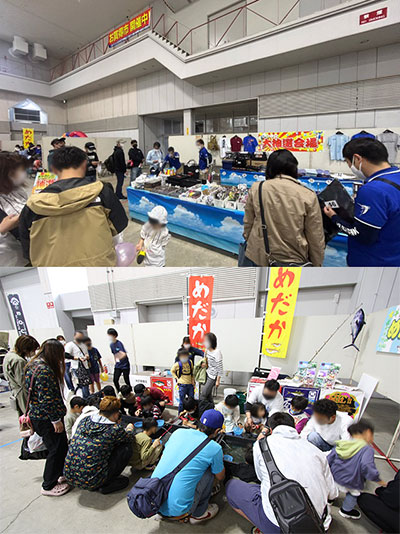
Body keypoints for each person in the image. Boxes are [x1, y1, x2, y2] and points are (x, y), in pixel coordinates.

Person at [226, 412, 338, 533]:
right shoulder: (317, 452)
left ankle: (265, 527)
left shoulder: (262, 445)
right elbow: (333, 494)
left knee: (231, 486)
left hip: (282, 525)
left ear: (271, 430)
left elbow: (260, 476)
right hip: (319, 523)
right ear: (294, 426)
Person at [19, 146, 128, 266]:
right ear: (84, 164)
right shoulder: (102, 192)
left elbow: (28, 249)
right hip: (98, 266)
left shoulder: (33, 206)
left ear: (53, 168)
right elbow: (120, 224)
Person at [323, 138, 400, 266]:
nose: (349, 166)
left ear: (357, 159)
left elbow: (362, 235)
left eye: (348, 162)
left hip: (374, 261)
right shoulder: (395, 177)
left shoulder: (373, 190)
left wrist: (334, 217)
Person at [243, 149, 325, 267]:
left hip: (259, 255)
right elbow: (315, 236)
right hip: (292, 259)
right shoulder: (308, 195)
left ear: (270, 168)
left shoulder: (257, 188)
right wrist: (317, 263)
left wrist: (250, 241)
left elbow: (248, 222)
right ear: (294, 168)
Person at [151, 409, 225, 523]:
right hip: (178, 510)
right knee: (210, 471)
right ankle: (198, 513)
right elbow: (220, 476)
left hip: (152, 499)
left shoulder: (178, 432)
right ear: (217, 431)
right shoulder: (214, 448)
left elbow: (163, 457)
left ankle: (163, 511)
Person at [24, 339, 70, 496]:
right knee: (55, 450)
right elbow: (47, 399)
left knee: (60, 447)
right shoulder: (44, 371)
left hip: (38, 415)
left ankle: (60, 474)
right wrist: (55, 420)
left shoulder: (32, 366)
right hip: (46, 418)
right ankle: (48, 485)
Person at [64, 396, 134, 494]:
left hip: (69, 475)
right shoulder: (113, 429)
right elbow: (129, 438)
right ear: (115, 414)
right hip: (92, 481)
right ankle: (106, 483)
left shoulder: (85, 420)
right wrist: (129, 429)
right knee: (126, 448)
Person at [327, 420, 386, 520]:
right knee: (353, 494)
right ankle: (346, 510)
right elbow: (367, 466)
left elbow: (329, 458)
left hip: (335, 475)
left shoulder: (342, 443)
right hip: (353, 480)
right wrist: (377, 479)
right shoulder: (367, 449)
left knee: (333, 487)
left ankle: (329, 499)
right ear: (367, 433)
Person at [0, 152, 29, 266]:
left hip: (29, 253)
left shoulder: (18, 191)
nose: (22, 174)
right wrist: (2, 229)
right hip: (10, 261)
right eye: (18, 171)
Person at [3, 334, 39, 416]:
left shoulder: (9, 356)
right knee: (29, 417)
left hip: (16, 392)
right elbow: (23, 382)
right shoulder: (19, 361)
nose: (33, 353)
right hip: (23, 394)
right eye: (32, 350)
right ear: (25, 349)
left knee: (23, 417)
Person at [64, 331, 91, 398]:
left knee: (86, 383)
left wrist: (86, 356)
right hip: (77, 366)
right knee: (83, 383)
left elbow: (86, 353)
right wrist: (77, 358)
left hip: (85, 365)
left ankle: (86, 396)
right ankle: (85, 398)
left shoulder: (83, 344)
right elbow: (65, 355)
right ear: (74, 336)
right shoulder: (70, 345)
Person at [200, 333, 223, 403]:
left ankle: (202, 408)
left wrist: (218, 380)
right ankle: (211, 407)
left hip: (213, 377)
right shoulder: (207, 350)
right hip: (207, 373)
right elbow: (206, 361)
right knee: (208, 395)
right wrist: (204, 364)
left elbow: (220, 368)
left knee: (203, 395)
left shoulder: (217, 352)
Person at [171, 348, 195, 413]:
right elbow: (172, 371)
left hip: (190, 384)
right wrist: (177, 378)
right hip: (182, 385)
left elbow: (192, 372)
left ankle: (190, 414)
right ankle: (180, 415)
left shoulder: (190, 362)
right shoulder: (177, 364)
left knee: (191, 401)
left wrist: (193, 380)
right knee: (182, 402)